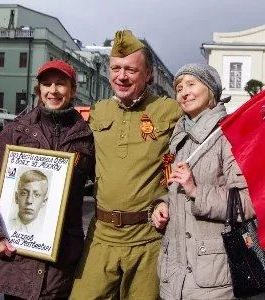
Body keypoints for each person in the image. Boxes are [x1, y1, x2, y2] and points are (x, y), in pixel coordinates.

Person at [0, 59, 95, 299]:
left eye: (60, 84)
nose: (53, 90)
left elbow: (106, 185)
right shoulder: (16, 131)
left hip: (62, 265)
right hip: (17, 264)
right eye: (46, 84)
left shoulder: (86, 136)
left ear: (73, 89)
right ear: (39, 90)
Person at [70, 30, 183, 299]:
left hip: (148, 239)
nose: (122, 76)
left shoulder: (170, 111)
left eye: (131, 69)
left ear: (148, 75)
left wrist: (169, 198)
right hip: (101, 236)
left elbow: (188, 160)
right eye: (116, 68)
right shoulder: (98, 111)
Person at [150, 63, 255, 299]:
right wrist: (161, 206)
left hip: (211, 279)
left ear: (211, 91)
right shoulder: (178, 138)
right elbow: (174, 191)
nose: (183, 92)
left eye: (191, 84)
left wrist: (196, 190)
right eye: (178, 87)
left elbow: (248, 202)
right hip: (172, 275)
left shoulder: (227, 135)